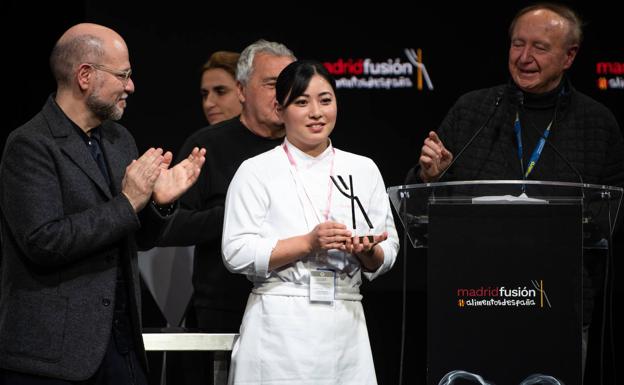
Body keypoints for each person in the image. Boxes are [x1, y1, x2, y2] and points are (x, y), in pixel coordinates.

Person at [405, 2, 624, 381]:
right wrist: (430, 176)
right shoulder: (473, 110)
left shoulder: (597, 124)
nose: (524, 57)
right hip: (472, 298)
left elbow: (611, 220)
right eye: (517, 44)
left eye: (539, 47)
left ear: (569, 56)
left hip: (559, 308)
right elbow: (420, 206)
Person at [0, 23, 205, 384]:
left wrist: (158, 204)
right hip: (55, 358)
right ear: (85, 76)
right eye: (123, 75)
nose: (131, 87)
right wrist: (129, 202)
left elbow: (135, 238)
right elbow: (43, 242)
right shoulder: (31, 145)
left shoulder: (118, 139)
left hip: (121, 349)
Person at [222, 60, 399, 384]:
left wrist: (365, 251)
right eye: (302, 102)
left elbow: (387, 249)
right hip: (278, 324)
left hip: (345, 323)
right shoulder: (256, 170)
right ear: (280, 109)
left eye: (326, 100)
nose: (316, 112)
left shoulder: (363, 168)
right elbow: (236, 251)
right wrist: (307, 243)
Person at [158, 39, 296, 334]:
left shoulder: (308, 146)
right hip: (226, 310)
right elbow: (170, 226)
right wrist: (237, 215)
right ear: (242, 90)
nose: (285, 94)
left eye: (291, 84)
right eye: (273, 84)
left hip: (297, 307)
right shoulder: (206, 146)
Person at [200, 51, 242, 125]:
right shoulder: (199, 136)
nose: (208, 104)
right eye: (205, 95)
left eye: (221, 92)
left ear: (245, 92)